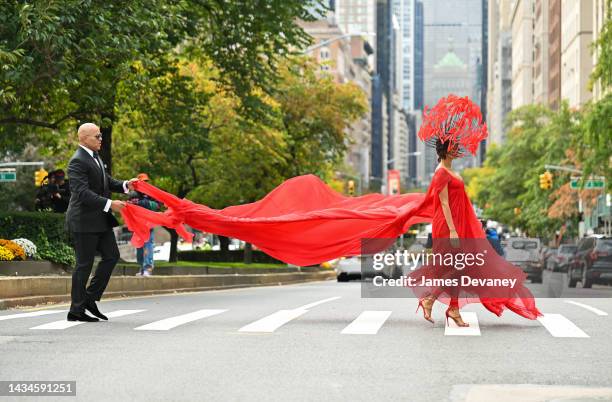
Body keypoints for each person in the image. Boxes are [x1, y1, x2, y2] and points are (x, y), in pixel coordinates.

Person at [119, 94, 541, 326]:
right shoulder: (441, 176)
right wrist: (454, 234)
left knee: (458, 272)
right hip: (450, 232)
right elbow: (445, 209)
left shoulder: (446, 172)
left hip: (454, 230)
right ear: (450, 149)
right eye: (458, 147)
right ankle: (443, 307)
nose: (462, 151)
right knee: (458, 268)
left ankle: (438, 305)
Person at [65, 123, 137, 322]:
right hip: (83, 221)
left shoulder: (95, 157)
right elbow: (82, 193)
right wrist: (109, 204)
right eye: (97, 136)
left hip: (99, 220)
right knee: (84, 265)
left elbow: (105, 181)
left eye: (101, 136)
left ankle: (89, 298)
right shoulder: (77, 161)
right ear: (84, 138)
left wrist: (125, 185)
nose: (100, 139)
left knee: (112, 256)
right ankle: (76, 310)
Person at [127, 173, 161, 276]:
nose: (144, 184)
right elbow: (128, 207)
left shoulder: (151, 194)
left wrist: (145, 203)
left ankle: (148, 268)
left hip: (148, 223)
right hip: (137, 225)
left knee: (148, 244)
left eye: (146, 182)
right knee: (139, 247)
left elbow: (158, 205)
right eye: (142, 182)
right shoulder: (133, 194)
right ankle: (142, 268)